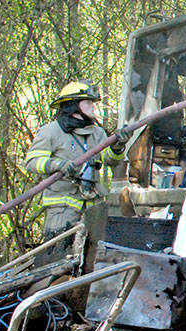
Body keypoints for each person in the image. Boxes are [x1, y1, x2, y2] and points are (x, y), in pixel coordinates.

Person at [24, 81, 126, 239]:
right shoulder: (51, 132)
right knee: (58, 254)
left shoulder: (97, 133)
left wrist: (117, 146)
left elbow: (110, 159)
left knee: (95, 256)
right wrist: (58, 165)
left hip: (93, 209)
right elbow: (32, 161)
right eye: (88, 103)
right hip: (62, 210)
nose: (93, 106)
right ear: (73, 106)